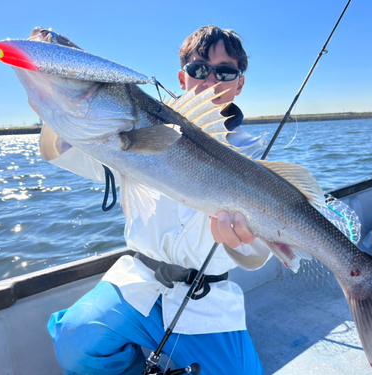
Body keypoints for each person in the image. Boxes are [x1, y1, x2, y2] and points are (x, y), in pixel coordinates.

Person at [45, 25, 271, 375]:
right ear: (183, 78)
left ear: (240, 83)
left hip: (207, 296)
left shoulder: (254, 153)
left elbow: (261, 246)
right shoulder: (131, 128)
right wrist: (59, 99)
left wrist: (244, 244)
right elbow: (62, 149)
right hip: (137, 282)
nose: (211, 80)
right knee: (76, 340)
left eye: (226, 71)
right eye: (199, 69)